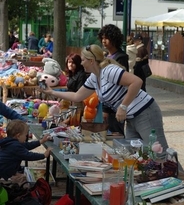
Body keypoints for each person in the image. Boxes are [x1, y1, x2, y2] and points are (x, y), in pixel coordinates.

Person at [40, 44, 169, 159]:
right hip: (131, 117)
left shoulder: (109, 71)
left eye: (83, 60)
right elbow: (77, 96)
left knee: (160, 153)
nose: (82, 63)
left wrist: (123, 106)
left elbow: (137, 82)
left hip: (145, 112)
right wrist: (52, 92)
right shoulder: (94, 78)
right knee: (135, 154)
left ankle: (180, 179)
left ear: (91, 61)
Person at [98, 24, 129, 135]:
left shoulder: (121, 57)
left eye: (106, 38)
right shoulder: (106, 56)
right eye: (102, 38)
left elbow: (115, 84)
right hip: (105, 103)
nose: (103, 41)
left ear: (114, 39)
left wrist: (106, 110)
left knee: (115, 135)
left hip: (115, 106)